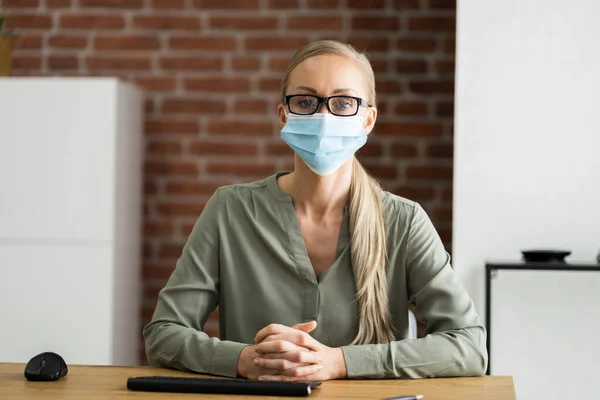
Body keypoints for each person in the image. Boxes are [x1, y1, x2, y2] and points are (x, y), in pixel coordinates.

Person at [143, 40, 487, 381]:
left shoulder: (404, 221)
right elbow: (163, 334)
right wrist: (244, 359)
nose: (324, 116)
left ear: (368, 119)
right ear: (283, 115)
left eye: (343, 102)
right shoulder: (229, 210)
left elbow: (468, 346)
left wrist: (340, 362)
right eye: (306, 102)